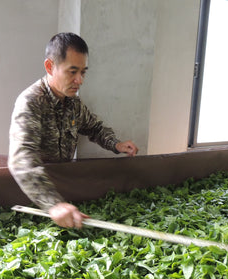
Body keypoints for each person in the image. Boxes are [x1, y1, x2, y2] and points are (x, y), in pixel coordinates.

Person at [8, 32, 138, 228]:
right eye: (72, 71)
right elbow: (22, 160)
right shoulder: (30, 102)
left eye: (83, 72)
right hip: (37, 198)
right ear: (50, 67)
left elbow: (94, 128)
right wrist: (53, 204)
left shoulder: (73, 104)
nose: (80, 80)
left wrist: (116, 144)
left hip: (64, 193)